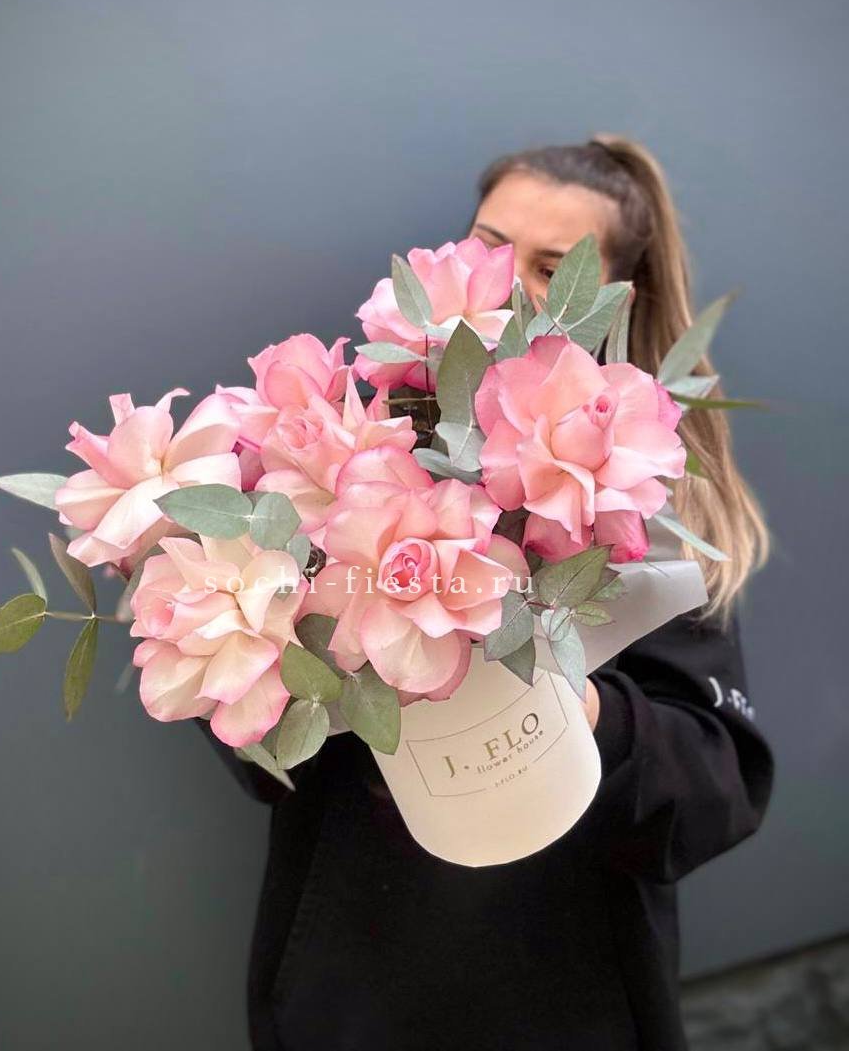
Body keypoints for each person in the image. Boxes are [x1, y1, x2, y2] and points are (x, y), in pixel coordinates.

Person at [196, 133, 774, 1051]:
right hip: (349, 993)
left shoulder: (646, 501)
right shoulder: (339, 443)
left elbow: (719, 791)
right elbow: (262, 761)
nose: (507, 285)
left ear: (613, 300)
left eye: (552, 267)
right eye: (490, 246)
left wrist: (577, 707)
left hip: (566, 1001)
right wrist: (220, 626)